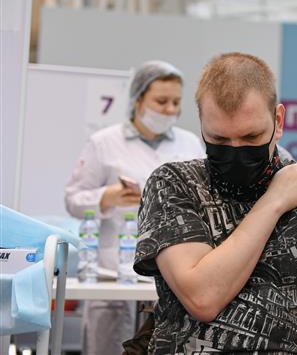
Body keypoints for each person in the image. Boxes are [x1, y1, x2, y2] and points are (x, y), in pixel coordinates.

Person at [133, 52, 297, 354]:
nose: (236, 151)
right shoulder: (173, 184)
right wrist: (273, 201)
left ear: (278, 121)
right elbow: (203, 298)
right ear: (201, 123)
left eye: (251, 137)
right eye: (220, 140)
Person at [65, 60, 204, 355]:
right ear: (138, 99)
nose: (169, 109)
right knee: (107, 347)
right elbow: (73, 199)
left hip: (173, 274)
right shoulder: (104, 142)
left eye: (176, 102)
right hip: (112, 273)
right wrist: (106, 197)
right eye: (161, 101)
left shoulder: (190, 144)